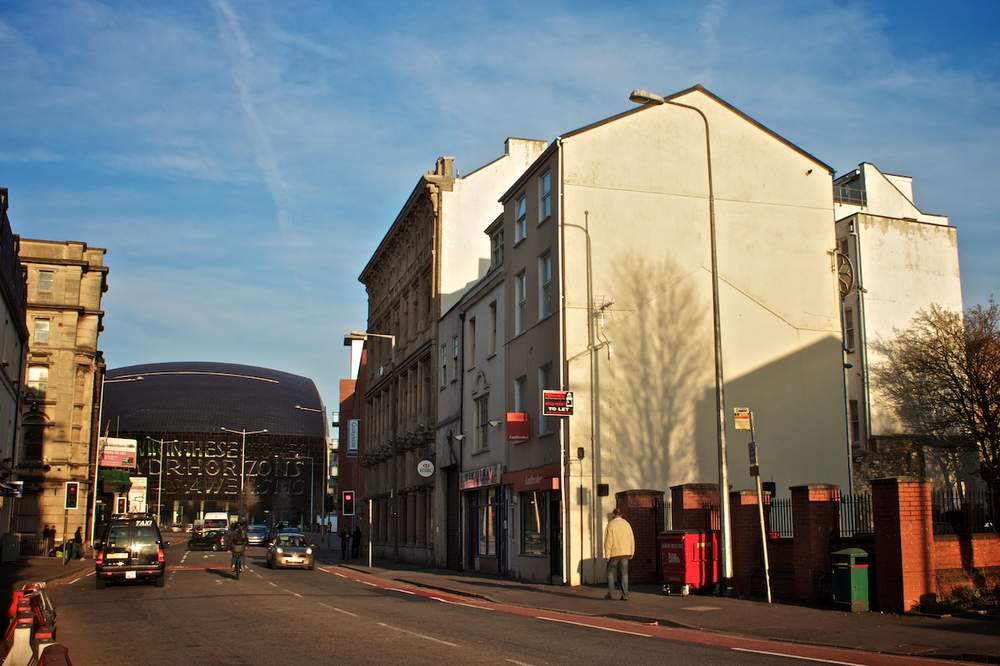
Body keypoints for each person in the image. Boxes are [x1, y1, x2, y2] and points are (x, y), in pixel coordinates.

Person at [603, 507, 635, 601]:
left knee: (610, 572)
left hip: (614, 553)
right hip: (625, 552)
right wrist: (632, 551)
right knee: (624, 574)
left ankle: (610, 593)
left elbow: (609, 541)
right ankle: (625, 595)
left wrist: (607, 554)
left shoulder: (611, 525)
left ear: (614, 514)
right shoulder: (627, 524)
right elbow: (631, 538)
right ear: (621, 515)